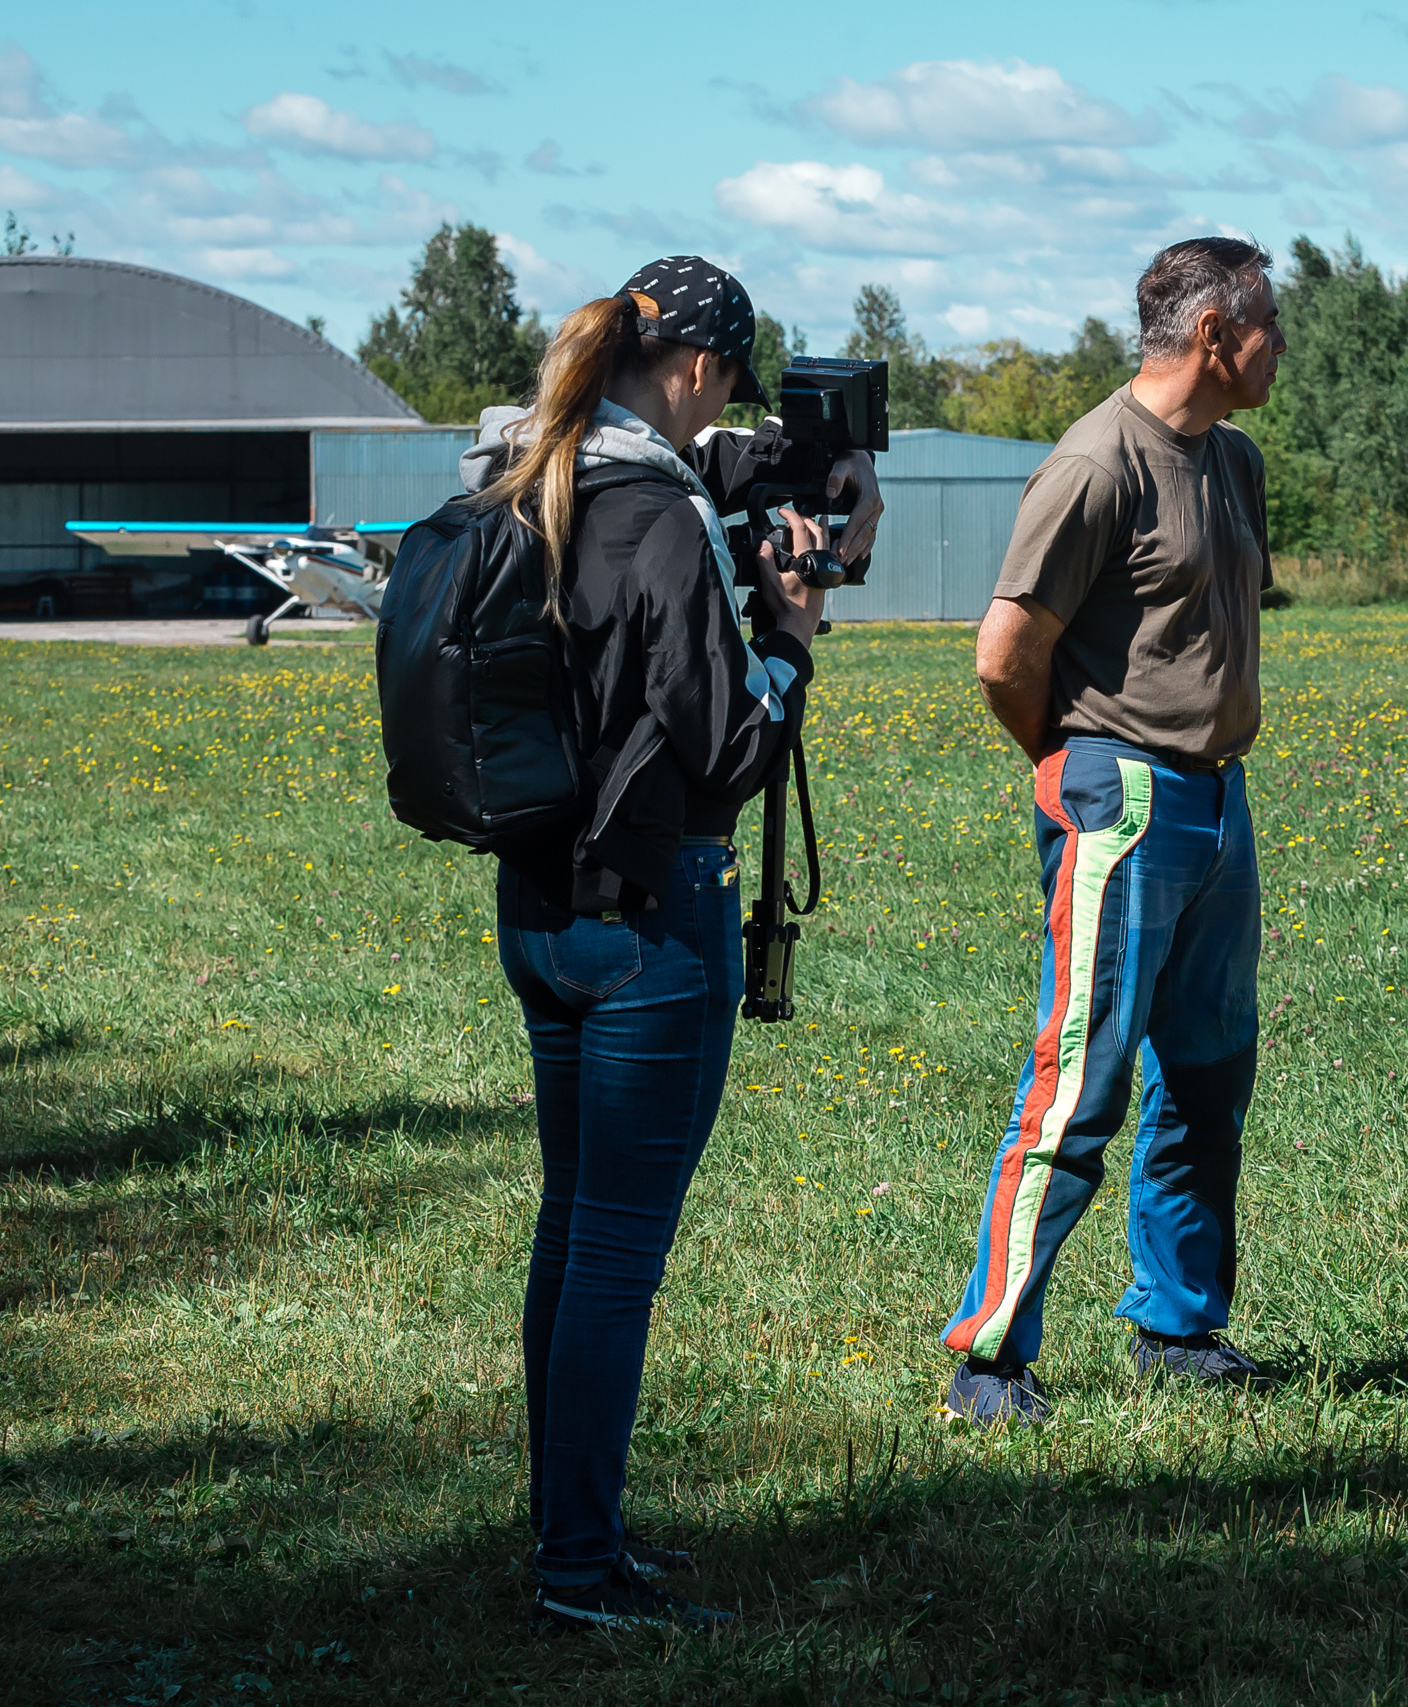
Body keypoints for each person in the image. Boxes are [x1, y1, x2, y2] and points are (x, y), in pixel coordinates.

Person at [461, 257, 882, 1629]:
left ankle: (570, 1528)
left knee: (573, 1229)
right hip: (654, 921)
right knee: (615, 1254)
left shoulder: (535, 474)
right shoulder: (658, 517)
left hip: (543, 905)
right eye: (722, 395)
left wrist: (811, 478)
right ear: (694, 369)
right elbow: (734, 740)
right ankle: (577, 1567)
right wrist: (798, 621)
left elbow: (735, 465)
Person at [941, 237, 1285, 1425]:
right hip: (1124, 797)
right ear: (1212, 337)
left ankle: (1177, 1325)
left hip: (1218, 800)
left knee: (1205, 1075)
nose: (1278, 345)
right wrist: (1069, 767)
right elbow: (1004, 654)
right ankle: (988, 1359)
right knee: (1079, 1081)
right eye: (1267, 325)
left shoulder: (1231, 461)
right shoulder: (1093, 463)